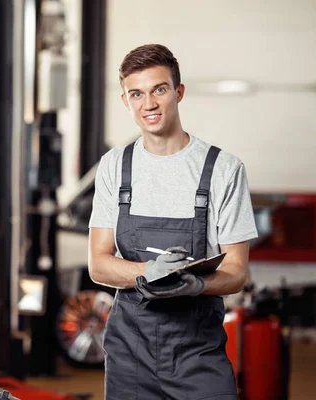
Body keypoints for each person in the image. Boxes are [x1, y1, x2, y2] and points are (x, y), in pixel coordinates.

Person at [88, 44, 258, 400]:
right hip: (130, 356)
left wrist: (194, 284)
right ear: (125, 101)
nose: (148, 104)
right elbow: (98, 265)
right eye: (137, 93)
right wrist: (148, 272)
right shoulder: (114, 166)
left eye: (159, 90)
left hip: (197, 353)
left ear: (178, 92)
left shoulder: (223, 170)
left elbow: (238, 272)